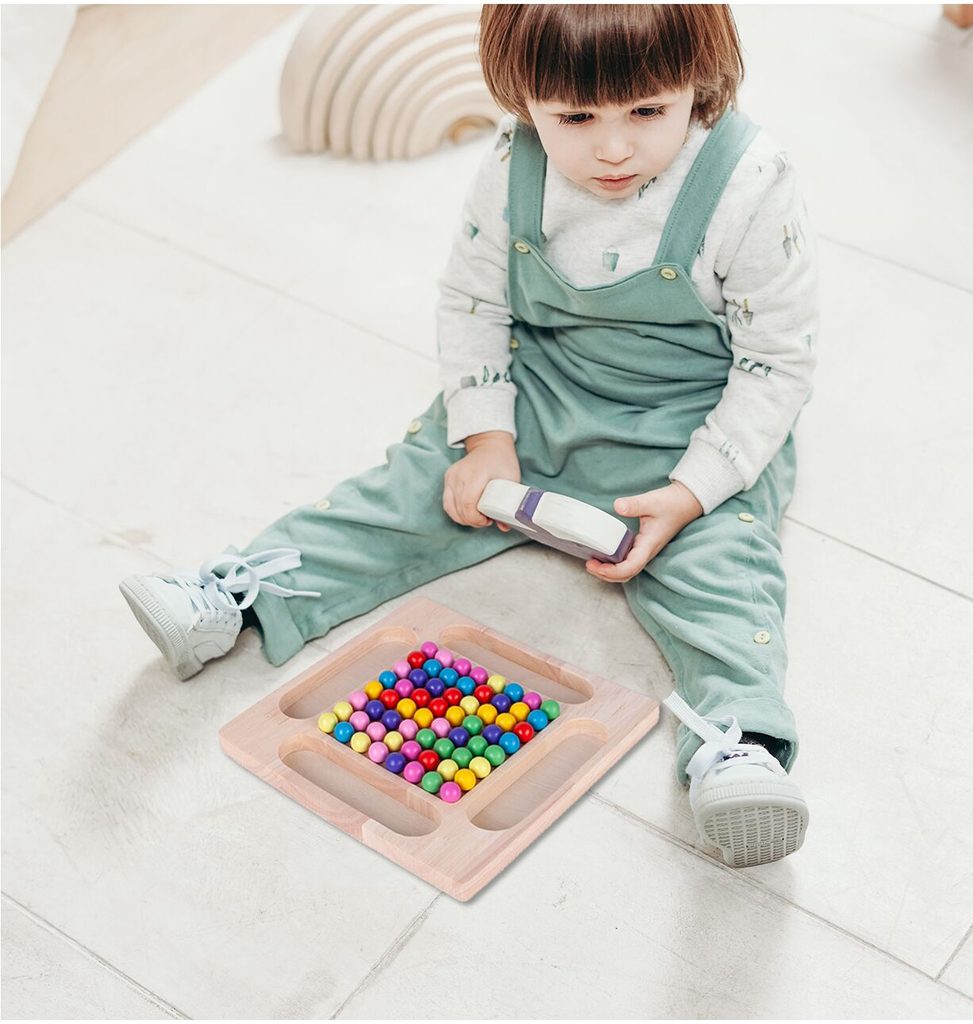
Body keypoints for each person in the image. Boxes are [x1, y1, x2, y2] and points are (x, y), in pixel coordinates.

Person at [120, 4, 818, 868]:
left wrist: (693, 490)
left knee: (726, 578)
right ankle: (241, 594)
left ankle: (738, 745)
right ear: (522, 97)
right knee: (406, 490)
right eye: (574, 117)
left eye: (648, 111)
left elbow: (776, 365)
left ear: (700, 80)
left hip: (689, 424)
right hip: (539, 391)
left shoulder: (750, 182)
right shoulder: (511, 163)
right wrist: (486, 436)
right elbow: (473, 302)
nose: (613, 149)